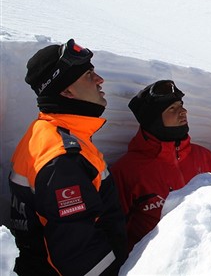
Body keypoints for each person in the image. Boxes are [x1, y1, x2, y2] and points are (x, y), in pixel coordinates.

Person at [8, 39, 127, 275]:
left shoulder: (45, 133)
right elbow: (79, 257)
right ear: (66, 91)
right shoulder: (62, 157)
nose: (99, 80)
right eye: (88, 75)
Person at [111, 80, 211, 251]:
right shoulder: (127, 170)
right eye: (172, 108)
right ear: (153, 119)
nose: (183, 111)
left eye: (181, 105)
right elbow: (114, 231)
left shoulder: (203, 156)